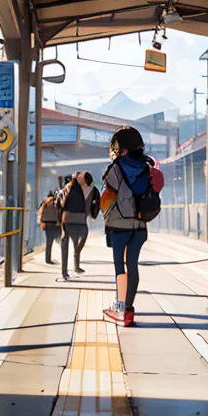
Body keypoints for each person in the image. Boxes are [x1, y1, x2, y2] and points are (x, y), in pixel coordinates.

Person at [101, 125, 161, 326]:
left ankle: (120, 309)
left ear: (121, 146)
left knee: (120, 267)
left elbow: (107, 197)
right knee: (133, 265)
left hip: (120, 225)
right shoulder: (146, 167)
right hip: (140, 225)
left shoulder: (116, 168)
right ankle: (129, 308)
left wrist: (104, 214)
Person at [58, 171, 90, 280]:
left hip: (75, 220)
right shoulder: (71, 187)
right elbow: (61, 202)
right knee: (68, 245)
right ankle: (65, 271)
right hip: (72, 219)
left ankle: (70, 269)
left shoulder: (81, 189)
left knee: (74, 242)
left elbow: (60, 202)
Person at [38, 187, 61, 264]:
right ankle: (63, 256)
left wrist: (41, 222)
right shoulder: (56, 202)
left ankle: (47, 259)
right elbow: (59, 213)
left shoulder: (44, 203)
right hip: (54, 224)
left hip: (46, 224)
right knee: (60, 240)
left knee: (49, 242)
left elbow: (40, 213)